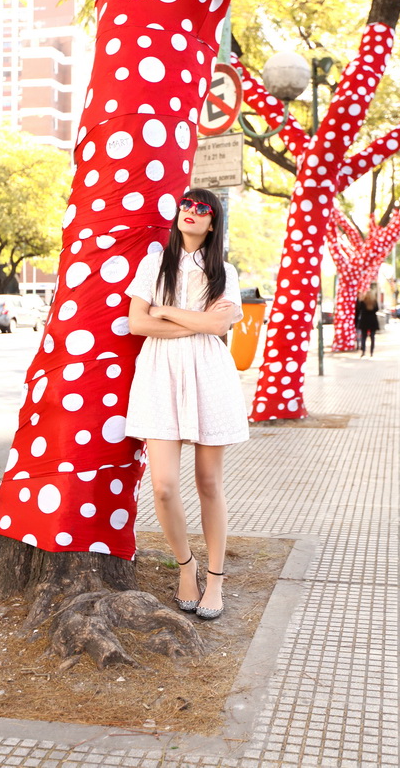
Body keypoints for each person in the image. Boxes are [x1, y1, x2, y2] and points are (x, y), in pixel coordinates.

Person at [125, 188, 248, 621]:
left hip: (209, 377)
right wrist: (190, 322)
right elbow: (136, 322)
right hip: (160, 376)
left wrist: (166, 312)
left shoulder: (223, 271)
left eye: (202, 209)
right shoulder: (154, 262)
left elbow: (219, 325)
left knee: (209, 482)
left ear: (213, 223)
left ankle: (215, 578)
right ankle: (187, 567)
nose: (191, 212)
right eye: (186, 206)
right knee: (162, 486)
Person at [357, 290, 379, 357]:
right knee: (372, 337)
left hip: (364, 321)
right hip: (372, 321)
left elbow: (359, 309)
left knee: (364, 337)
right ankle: (371, 352)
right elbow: (377, 309)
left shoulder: (363, 302)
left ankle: (363, 351)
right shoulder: (374, 302)